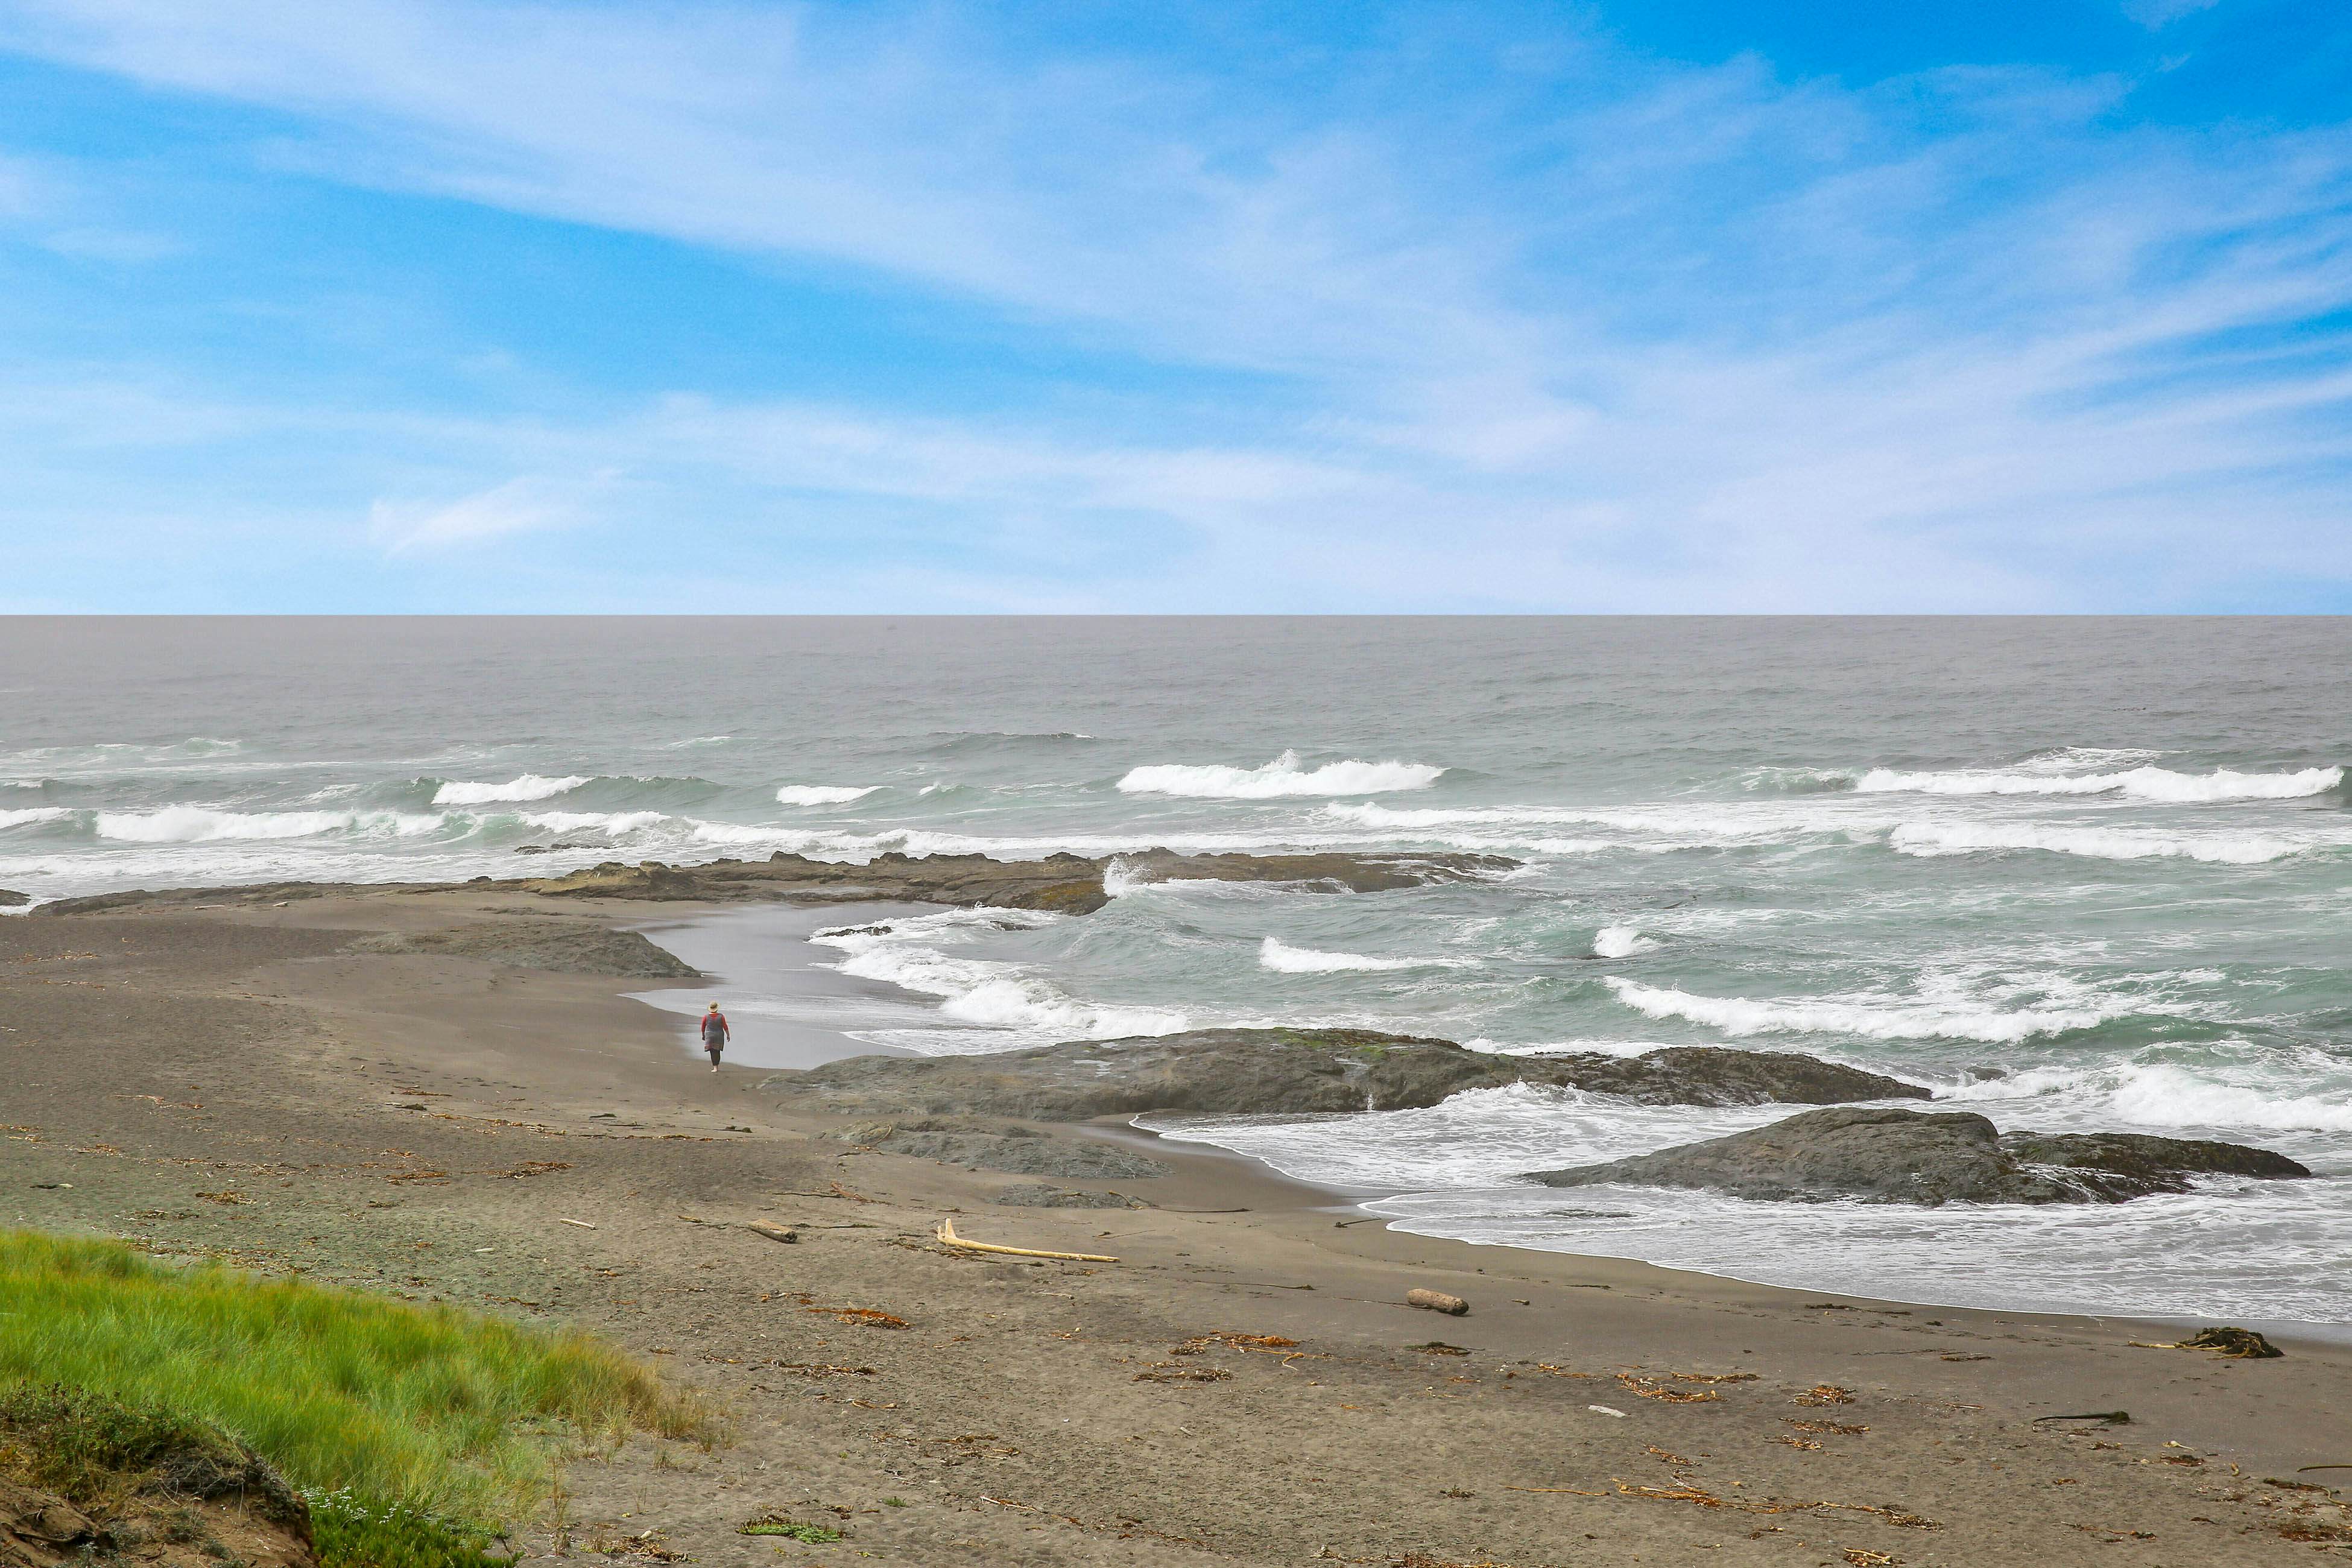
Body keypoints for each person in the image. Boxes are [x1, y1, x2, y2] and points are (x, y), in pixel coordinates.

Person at [699, 1002, 730, 1070]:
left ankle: (715, 1067)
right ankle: (717, 1067)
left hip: (709, 1036)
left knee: (712, 1052)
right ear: (717, 1009)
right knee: (717, 1051)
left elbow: (703, 1027)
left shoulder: (706, 1017)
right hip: (719, 1036)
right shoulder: (721, 1016)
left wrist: (703, 1035)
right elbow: (725, 1026)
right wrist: (728, 1035)